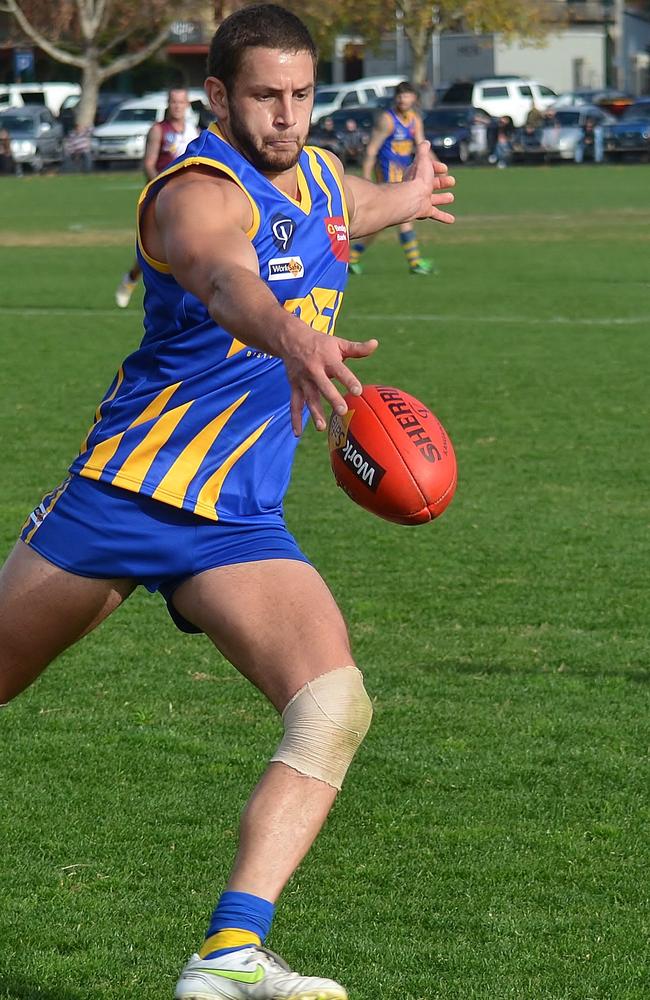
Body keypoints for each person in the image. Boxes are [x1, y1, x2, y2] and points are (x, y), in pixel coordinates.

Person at [0, 5, 455, 999]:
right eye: (263, 96)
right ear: (218, 97)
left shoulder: (327, 174)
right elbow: (222, 273)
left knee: (332, 705)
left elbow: (344, 212)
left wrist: (411, 192)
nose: (286, 116)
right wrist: (291, 335)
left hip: (238, 523)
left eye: (300, 95)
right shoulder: (195, 190)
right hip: (127, 494)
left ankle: (228, 952)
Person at [115, 87, 200, 308]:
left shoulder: (194, 131)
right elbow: (149, 163)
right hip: (161, 197)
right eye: (173, 102)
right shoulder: (158, 130)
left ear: (187, 104)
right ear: (168, 104)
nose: (177, 106)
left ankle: (188, 298)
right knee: (152, 248)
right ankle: (131, 278)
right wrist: (161, 186)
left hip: (189, 200)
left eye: (181, 102)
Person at [349, 81, 437, 276]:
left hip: (404, 175)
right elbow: (372, 149)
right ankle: (415, 263)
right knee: (405, 217)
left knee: (379, 222)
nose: (401, 99)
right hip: (387, 176)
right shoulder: (387, 120)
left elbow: (423, 147)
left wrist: (438, 167)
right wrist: (366, 177)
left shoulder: (415, 120)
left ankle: (351, 258)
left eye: (406, 95)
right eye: (399, 95)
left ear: (414, 98)